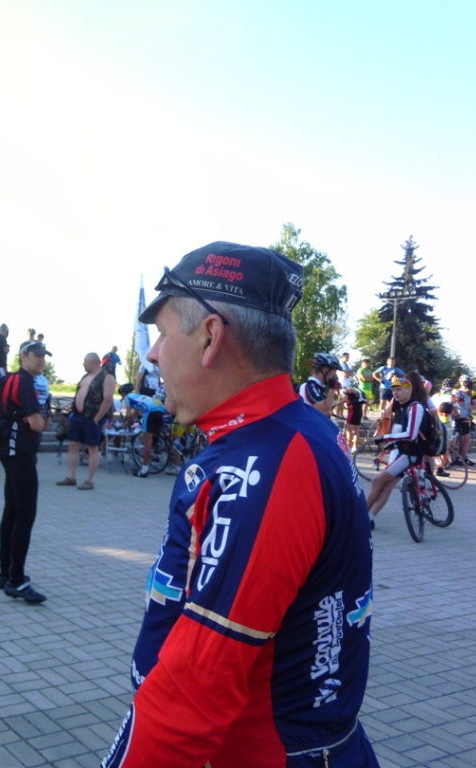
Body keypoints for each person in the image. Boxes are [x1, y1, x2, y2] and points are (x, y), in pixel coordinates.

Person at [102, 241, 377, 768]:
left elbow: (192, 691)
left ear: (210, 337)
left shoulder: (268, 464)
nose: (153, 355)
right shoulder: (293, 432)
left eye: (162, 333)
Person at [0, 340, 52, 604]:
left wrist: (36, 418)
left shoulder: (10, 379)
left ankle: (5, 574)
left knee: (12, 510)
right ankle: (17, 580)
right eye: (36, 355)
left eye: (44, 356)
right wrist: (44, 415)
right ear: (23, 357)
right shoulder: (25, 382)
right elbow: (38, 424)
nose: (41, 359)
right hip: (20, 452)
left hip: (9, 450)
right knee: (25, 513)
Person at [365, 373, 431, 523]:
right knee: (387, 485)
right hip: (402, 451)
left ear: (409, 390)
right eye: (394, 390)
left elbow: (411, 434)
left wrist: (385, 438)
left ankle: (360, 517)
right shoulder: (400, 407)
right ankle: (369, 518)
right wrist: (391, 442)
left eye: (399, 389)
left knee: (377, 481)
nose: (395, 392)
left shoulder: (415, 407)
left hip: (410, 454)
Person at [56, 353, 115, 491]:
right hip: (78, 416)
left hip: (93, 417)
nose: (83, 364)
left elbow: (108, 399)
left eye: (85, 362)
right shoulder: (85, 377)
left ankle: (89, 480)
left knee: (92, 447)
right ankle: (71, 477)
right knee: (73, 445)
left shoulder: (107, 377)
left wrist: (97, 418)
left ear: (92, 362)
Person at [121, 386, 168, 478]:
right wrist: (124, 425)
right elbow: (133, 417)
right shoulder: (137, 397)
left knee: (147, 441)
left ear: (123, 394)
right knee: (154, 436)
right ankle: (155, 454)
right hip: (160, 408)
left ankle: (144, 469)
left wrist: (121, 426)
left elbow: (129, 416)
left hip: (149, 410)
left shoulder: (127, 398)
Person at [341, 385, 366, 454]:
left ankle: (348, 447)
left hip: (352, 412)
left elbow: (344, 399)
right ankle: (355, 447)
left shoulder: (346, 391)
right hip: (359, 411)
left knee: (349, 430)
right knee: (356, 430)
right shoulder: (357, 391)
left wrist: (335, 404)